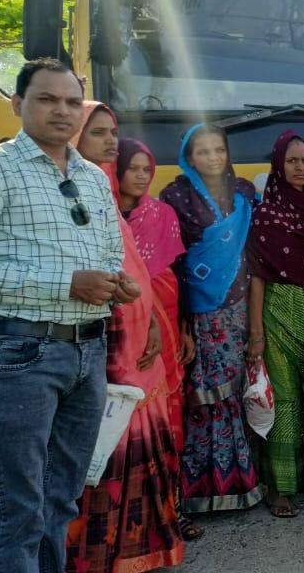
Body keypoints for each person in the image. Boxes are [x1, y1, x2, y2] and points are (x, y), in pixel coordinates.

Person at [0, 59, 129, 572]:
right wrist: (66, 284)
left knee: (60, 502)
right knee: (19, 510)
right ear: (18, 105)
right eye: (46, 99)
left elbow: (109, 255)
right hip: (20, 354)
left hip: (88, 351)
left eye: (70, 101)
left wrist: (115, 284)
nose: (62, 110)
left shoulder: (94, 178)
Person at [65, 103, 181, 572]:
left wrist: (151, 316)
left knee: (142, 442)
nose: (111, 141)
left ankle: (139, 549)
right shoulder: (68, 195)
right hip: (104, 339)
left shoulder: (103, 193)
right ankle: (96, 554)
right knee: (105, 446)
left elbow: (130, 266)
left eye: (113, 132)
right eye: (97, 134)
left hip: (138, 337)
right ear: (74, 138)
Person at [160, 124, 263, 511]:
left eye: (218, 150)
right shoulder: (175, 196)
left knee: (235, 394)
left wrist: (255, 325)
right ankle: (201, 487)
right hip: (198, 312)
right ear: (189, 157)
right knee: (204, 398)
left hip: (237, 308)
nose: (212, 158)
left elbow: (252, 255)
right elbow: (173, 262)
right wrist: (182, 320)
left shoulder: (244, 193)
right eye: (202, 152)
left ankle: (240, 479)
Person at [116, 138, 200, 540]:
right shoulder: (103, 215)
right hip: (120, 335)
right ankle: (128, 520)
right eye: (132, 167)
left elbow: (179, 275)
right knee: (125, 423)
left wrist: (184, 328)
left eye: (146, 168)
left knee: (168, 419)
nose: (141, 175)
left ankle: (173, 511)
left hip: (165, 327)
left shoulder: (163, 214)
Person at [248, 131, 304, 518]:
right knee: (285, 402)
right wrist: (256, 334)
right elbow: (258, 276)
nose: (300, 168)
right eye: (293, 161)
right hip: (278, 314)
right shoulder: (266, 215)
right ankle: (279, 487)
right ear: (278, 167)